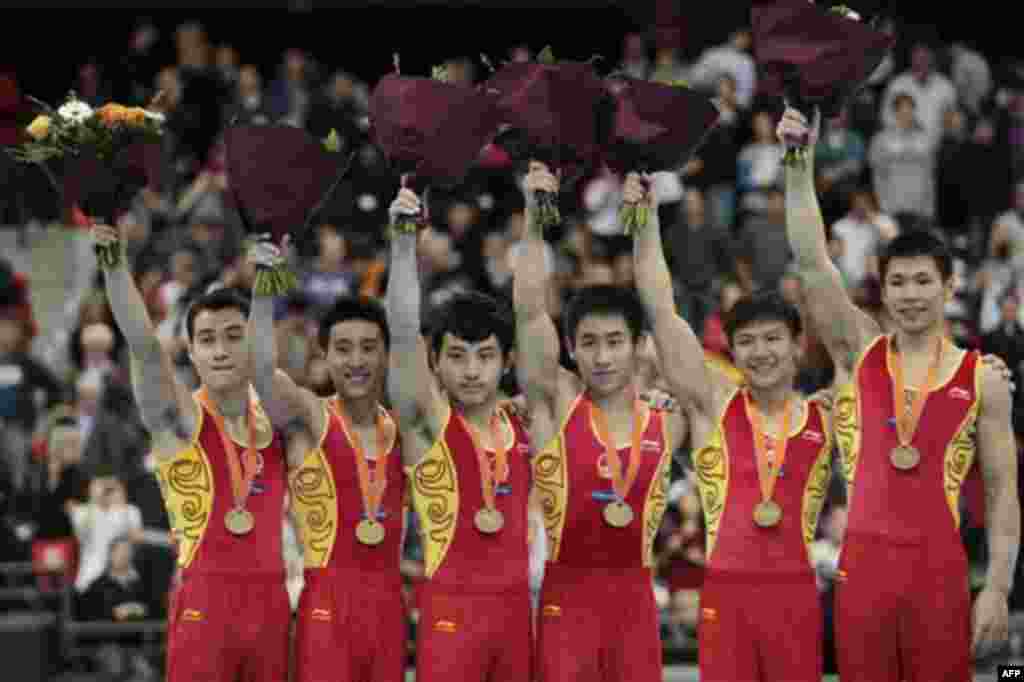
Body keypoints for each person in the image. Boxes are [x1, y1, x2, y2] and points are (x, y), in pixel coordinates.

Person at [779, 106, 1020, 681]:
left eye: (923, 281)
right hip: (861, 576)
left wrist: (999, 589)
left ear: (948, 286)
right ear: (882, 291)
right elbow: (812, 262)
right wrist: (796, 162)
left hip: (940, 576)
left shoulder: (982, 378)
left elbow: (1004, 492)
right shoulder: (859, 351)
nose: (911, 295)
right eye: (898, 282)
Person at [618, 171, 833, 681]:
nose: (762, 353)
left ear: (798, 346)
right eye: (749, 342)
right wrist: (644, 223)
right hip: (726, 597)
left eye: (773, 339)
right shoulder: (713, 404)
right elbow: (662, 311)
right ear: (732, 352)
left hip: (797, 598)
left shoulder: (826, 413)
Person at [92, 222, 291, 682]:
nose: (220, 351)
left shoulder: (280, 418)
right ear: (192, 352)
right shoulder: (180, 419)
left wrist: (267, 283)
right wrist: (115, 263)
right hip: (206, 604)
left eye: (232, 337)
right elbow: (143, 347)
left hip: (272, 605)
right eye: (207, 340)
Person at [510, 162, 683, 682]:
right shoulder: (558, 403)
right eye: (588, 343)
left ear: (638, 348)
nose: (602, 358)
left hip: (635, 603)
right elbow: (529, 313)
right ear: (570, 350)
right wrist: (534, 217)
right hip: (568, 600)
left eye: (614, 343)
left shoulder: (666, 417)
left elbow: (663, 306)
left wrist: (646, 220)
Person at [386, 187, 533, 682]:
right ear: (435, 362)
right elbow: (404, 333)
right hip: (451, 613)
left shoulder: (526, 424)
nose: (471, 371)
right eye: (457, 356)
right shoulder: (428, 427)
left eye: (485, 356)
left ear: (507, 362)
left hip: (518, 618)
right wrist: (404, 247)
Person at [246, 238, 406, 682]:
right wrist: (263, 289)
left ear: (387, 356)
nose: (356, 361)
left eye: (368, 348)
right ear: (324, 355)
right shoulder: (309, 418)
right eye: (343, 348)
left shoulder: (405, 431)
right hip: (326, 610)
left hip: (390, 610)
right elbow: (259, 370)